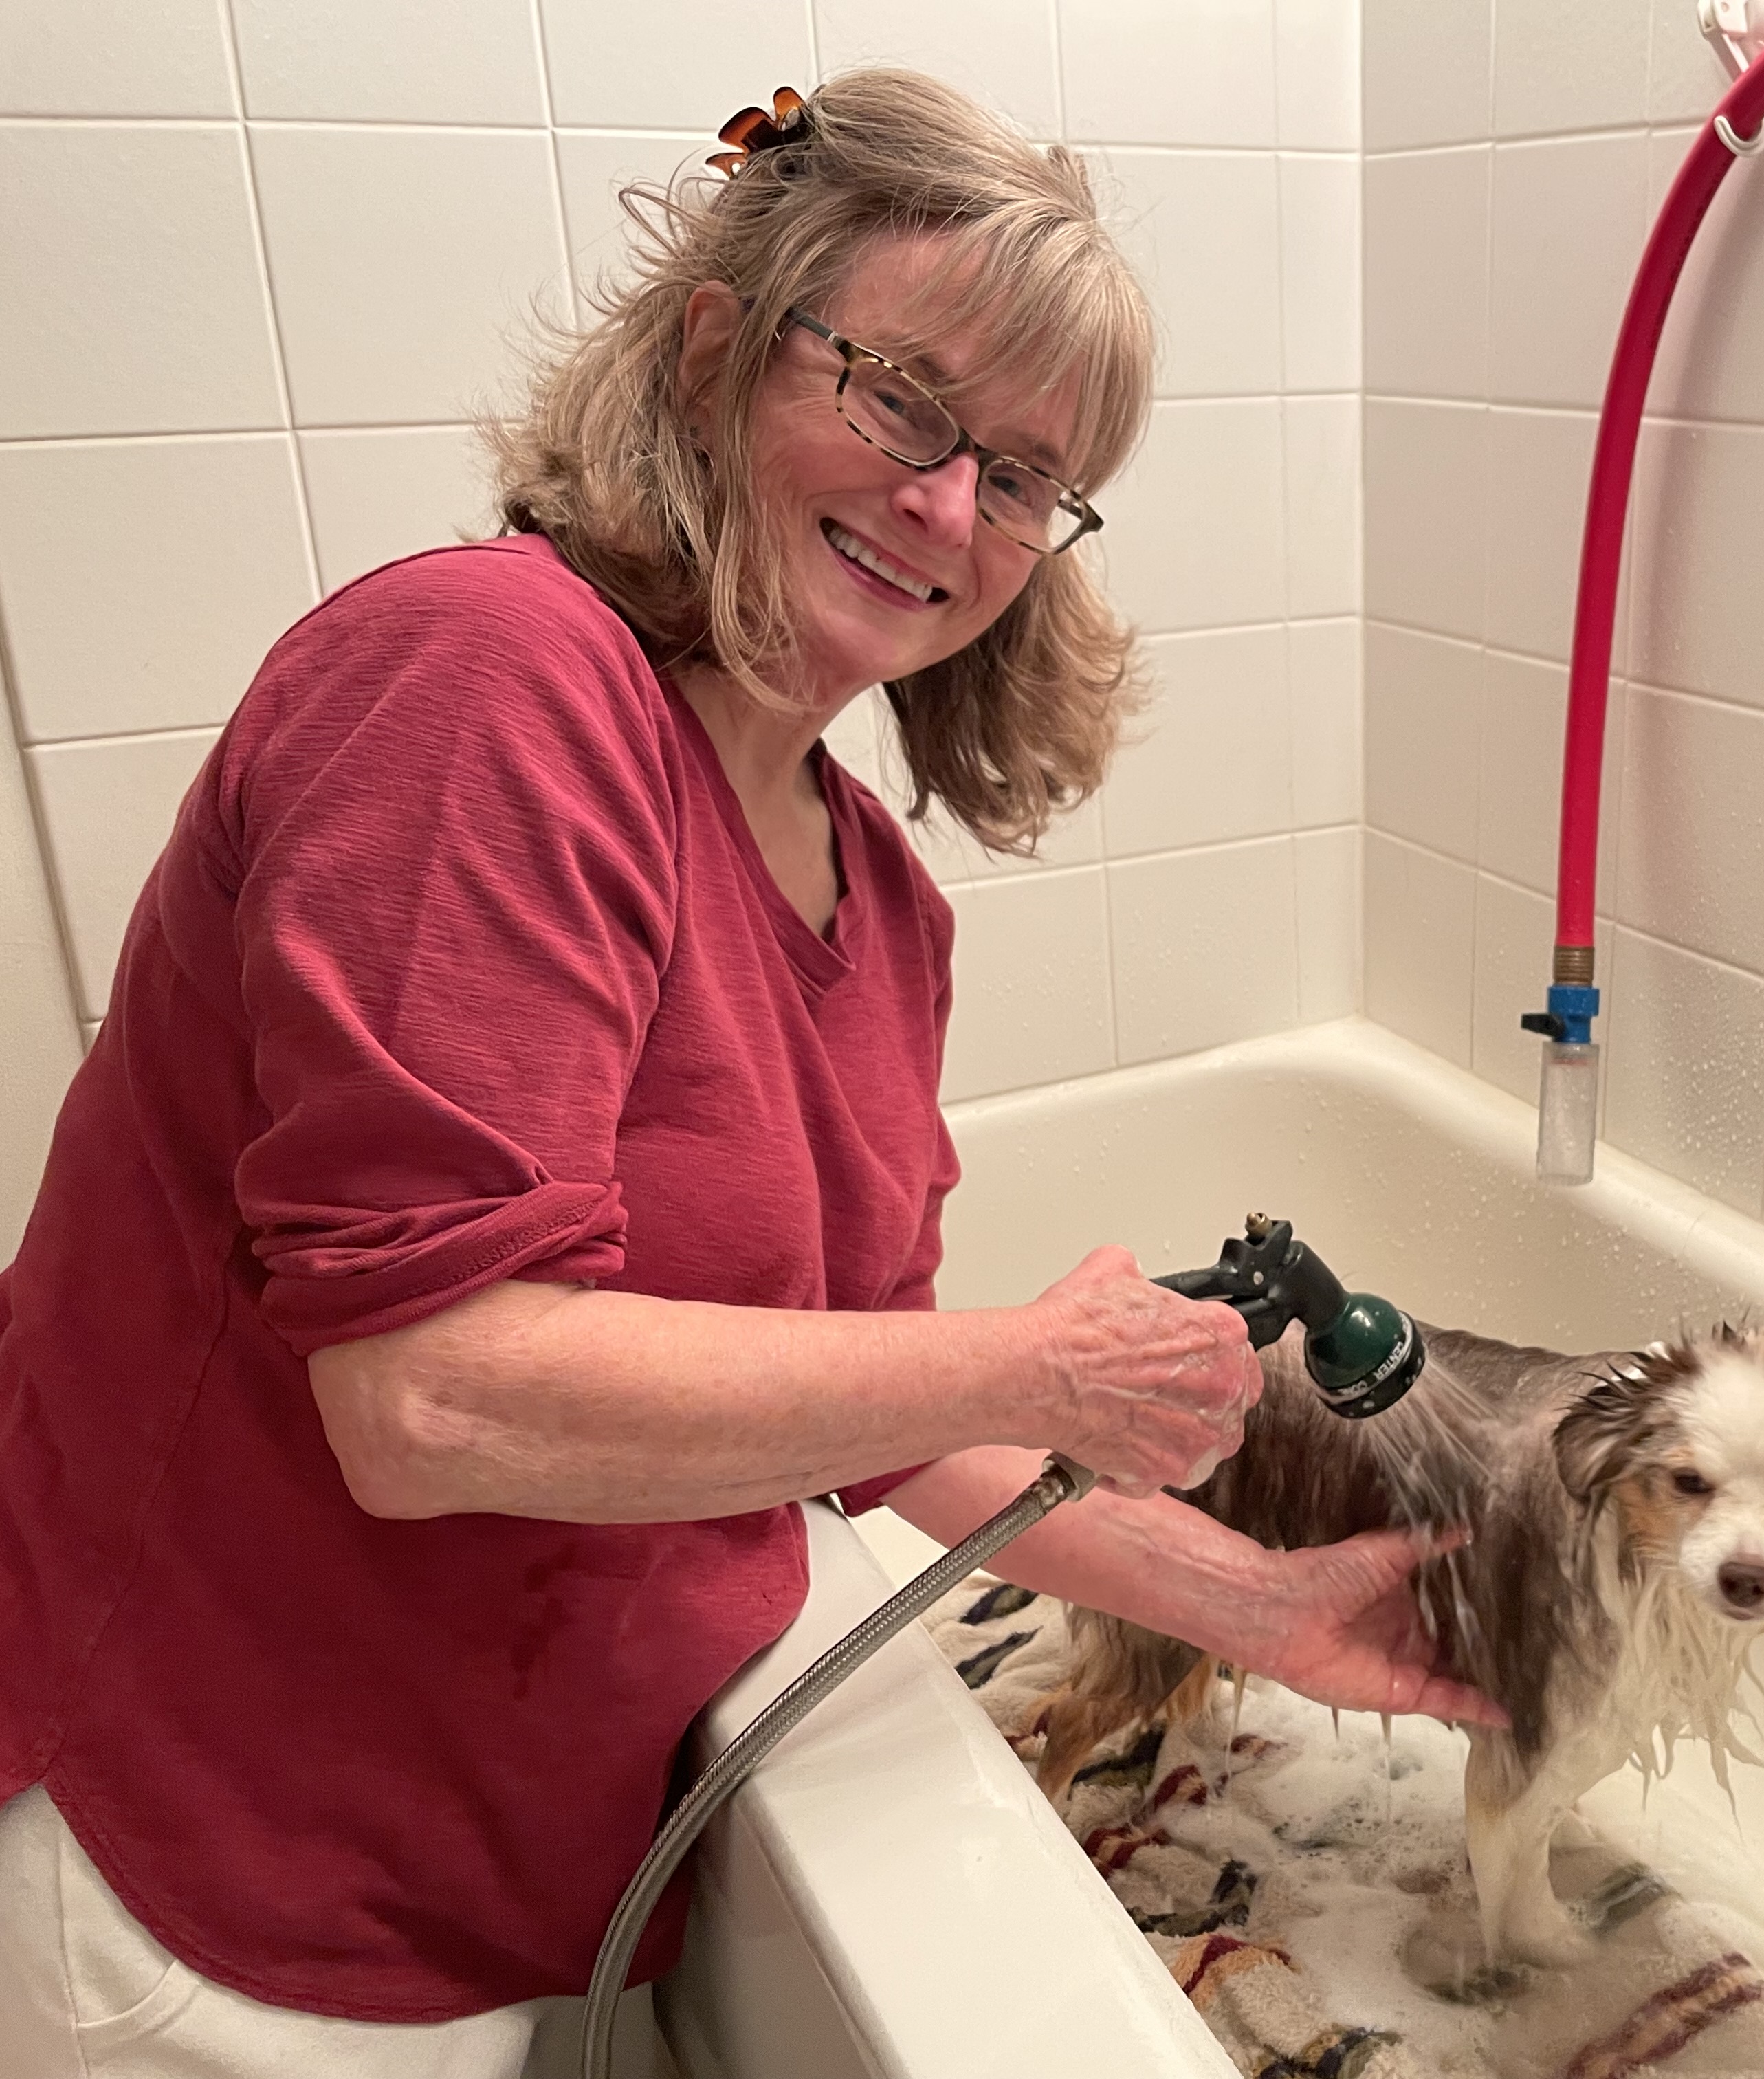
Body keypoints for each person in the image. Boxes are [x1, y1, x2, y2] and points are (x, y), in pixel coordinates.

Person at [0, 69, 1497, 2078]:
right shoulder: (488, 682)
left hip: (509, 1858)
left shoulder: (881, 900)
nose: (951, 507)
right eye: (905, 401)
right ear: (718, 351)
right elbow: (431, 1395)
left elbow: (860, 1404)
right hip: (211, 1868)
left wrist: (1258, 1603)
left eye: (1026, 476)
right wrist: (1035, 1369)